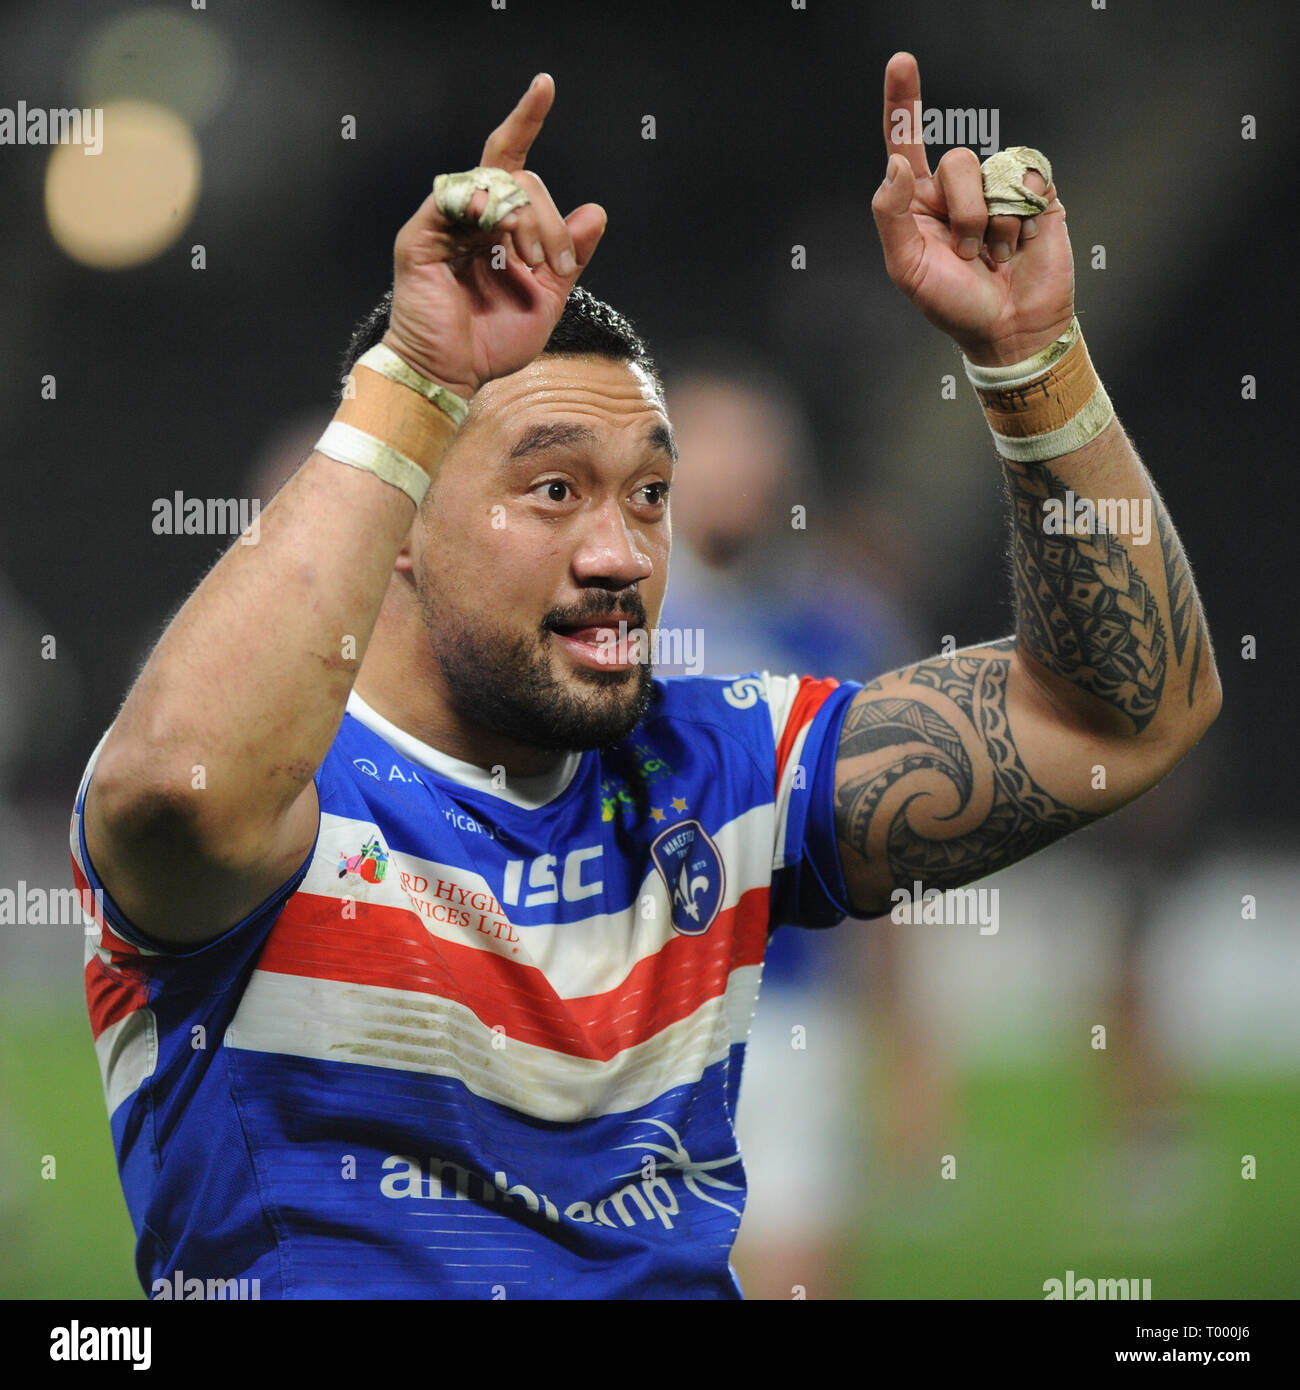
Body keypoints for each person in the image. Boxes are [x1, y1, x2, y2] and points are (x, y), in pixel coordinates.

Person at [71, 57, 1221, 1299]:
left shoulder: (722, 764)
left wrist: (1030, 359)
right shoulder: (281, 792)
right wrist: (409, 376)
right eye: (554, 488)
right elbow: (175, 794)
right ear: (395, 521)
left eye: (651, 494)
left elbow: (1123, 713)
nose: (620, 552)